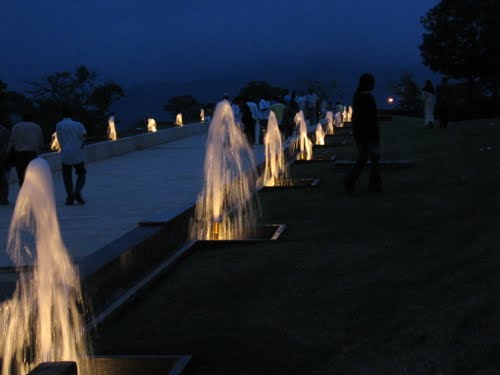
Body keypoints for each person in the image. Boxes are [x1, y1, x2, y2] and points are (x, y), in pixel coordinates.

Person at [344, 73, 382, 194]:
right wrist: (373, 135)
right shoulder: (368, 98)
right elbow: (370, 118)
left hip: (360, 133)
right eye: (372, 82)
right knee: (372, 159)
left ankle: (351, 182)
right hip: (368, 133)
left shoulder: (357, 96)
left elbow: (358, 117)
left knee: (364, 158)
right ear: (368, 84)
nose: (374, 85)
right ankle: (374, 186)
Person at [56, 107, 87, 205]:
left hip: (65, 153)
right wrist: (81, 144)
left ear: (62, 115)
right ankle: (77, 191)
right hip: (77, 153)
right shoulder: (78, 124)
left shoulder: (59, 125)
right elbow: (84, 136)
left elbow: (59, 139)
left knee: (67, 176)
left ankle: (70, 197)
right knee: (81, 174)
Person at [9, 112, 44, 187]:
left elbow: (12, 142)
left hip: (19, 155)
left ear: (22, 119)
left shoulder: (16, 127)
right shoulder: (37, 127)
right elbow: (41, 143)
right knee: (32, 175)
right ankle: (31, 191)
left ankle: (23, 192)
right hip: (32, 154)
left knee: (21, 176)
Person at [0, 124, 10, 204]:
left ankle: (3, 198)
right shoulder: (5, 130)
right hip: (2, 156)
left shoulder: (4, 131)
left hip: (1, 157)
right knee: (3, 178)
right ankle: (4, 198)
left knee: (2, 178)